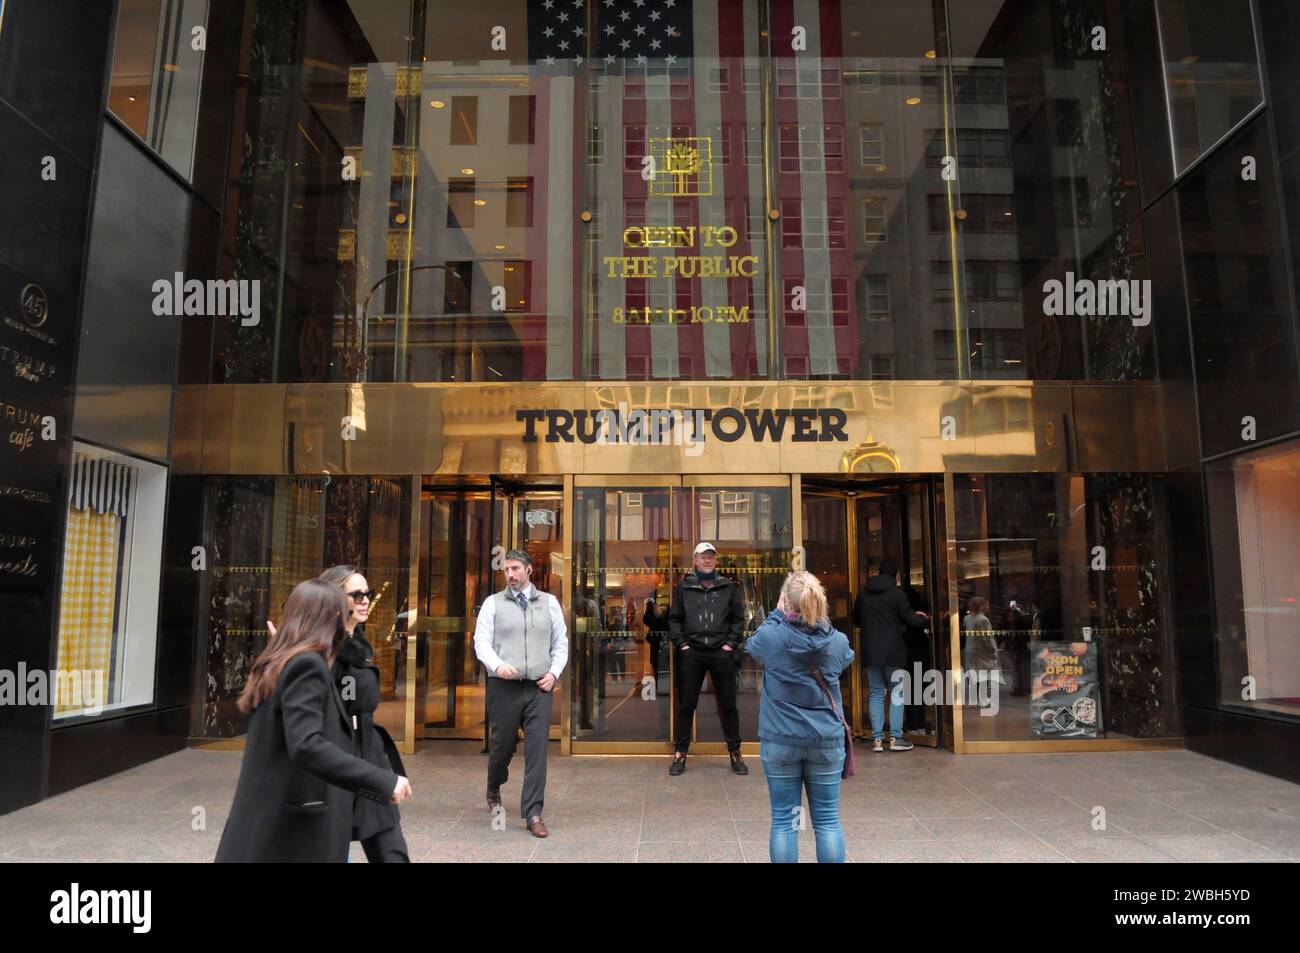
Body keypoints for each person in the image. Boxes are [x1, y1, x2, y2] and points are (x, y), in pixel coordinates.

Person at [215, 580, 411, 862]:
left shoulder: (280, 661)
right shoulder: (306, 665)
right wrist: (382, 780)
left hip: (268, 830)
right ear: (328, 619)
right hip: (287, 834)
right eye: (341, 613)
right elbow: (307, 744)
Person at [745, 571, 854, 863]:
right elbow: (843, 659)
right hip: (825, 741)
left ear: (785, 602)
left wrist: (774, 615)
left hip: (781, 740)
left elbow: (752, 645)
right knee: (828, 821)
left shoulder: (771, 635)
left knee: (784, 821)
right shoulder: (838, 641)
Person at [473, 548, 568, 838]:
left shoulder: (549, 603)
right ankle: (494, 785)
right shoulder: (493, 604)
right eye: (506, 570)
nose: (510, 574)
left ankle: (533, 813)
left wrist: (553, 673)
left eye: (515, 568)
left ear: (529, 570)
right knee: (502, 746)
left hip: (539, 686)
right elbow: (481, 642)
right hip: (504, 687)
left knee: (538, 750)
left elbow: (560, 643)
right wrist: (498, 666)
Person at [318, 565, 410, 863]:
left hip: (368, 749)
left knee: (389, 844)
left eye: (366, 593)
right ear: (333, 599)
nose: (365, 600)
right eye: (355, 594)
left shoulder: (358, 642)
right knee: (332, 841)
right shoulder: (319, 649)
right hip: (336, 752)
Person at [668, 541, 748, 775]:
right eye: (703, 556)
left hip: (720, 653)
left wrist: (729, 644)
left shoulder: (727, 587)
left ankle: (735, 753)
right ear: (695, 560)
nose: (707, 560)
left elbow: (737, 618)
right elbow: (674, 619)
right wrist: (681, 644)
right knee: (686, 705)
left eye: (711, 556)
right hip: (691, 652)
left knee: (728, 704)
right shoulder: (684, 587)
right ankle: (680, 754)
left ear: (715, 559)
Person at [854, 559, 928, 752]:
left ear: (878, 572)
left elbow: (856, 619)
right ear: (896, 575)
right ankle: (896, 737)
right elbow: (909, 618)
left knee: (877, 693)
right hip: (893, 652)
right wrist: (922, 617)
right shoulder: (897, 594)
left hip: (871, 652)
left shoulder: (863, 594)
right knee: (897, 693)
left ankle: (877, 739)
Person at [642, 596, 669, 685]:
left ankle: (659, 683)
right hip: (657, 641)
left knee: (658, 662)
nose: (656, 607)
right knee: (656, 661)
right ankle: (658, 682)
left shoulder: (661, 614)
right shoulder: (654, 615)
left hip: (661, 641)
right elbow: (647, 620)